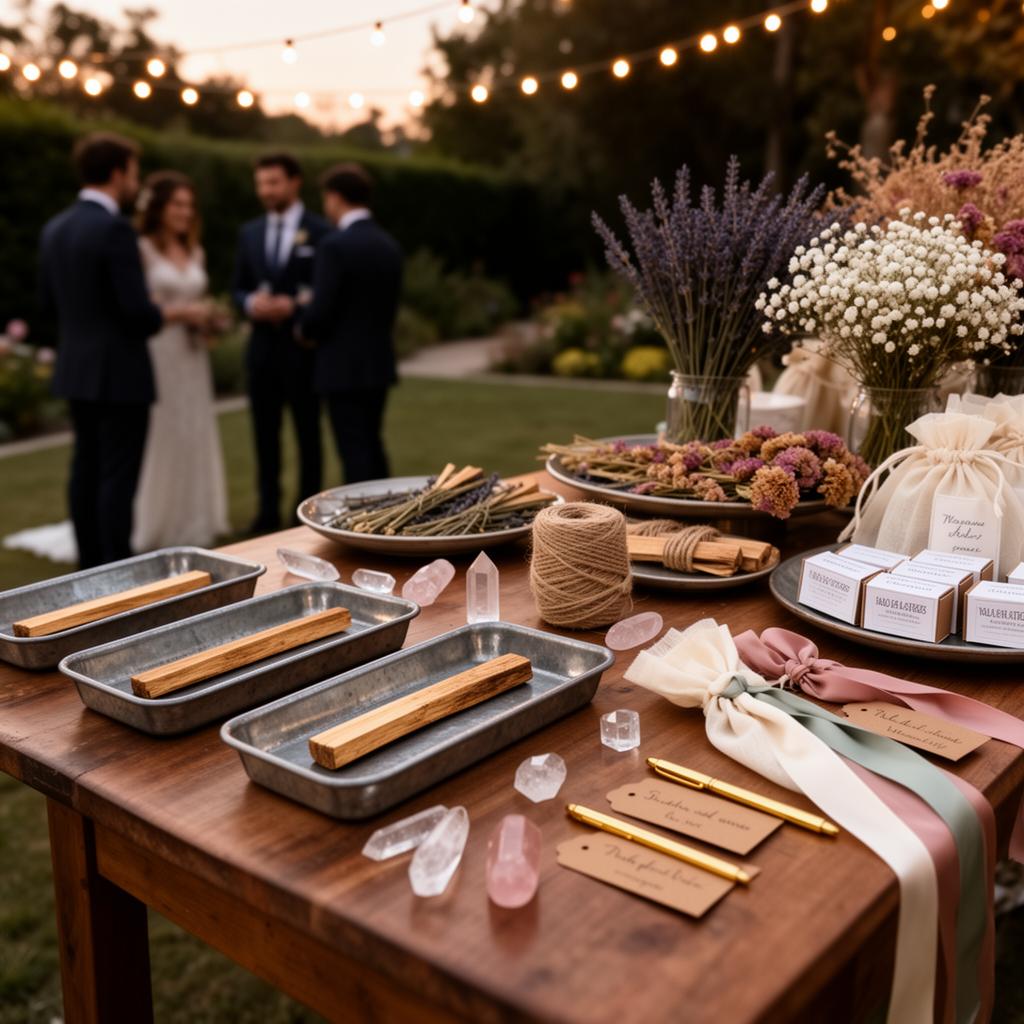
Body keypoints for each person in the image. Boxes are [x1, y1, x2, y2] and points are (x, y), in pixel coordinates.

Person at [38, 134, 200, 568]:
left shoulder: (55, 227)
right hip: (120, 371)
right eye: (133, 172)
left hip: (76, 367)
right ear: (116, 173)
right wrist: (159, 312)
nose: (136, 182)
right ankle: (116, 562)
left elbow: (47, 305)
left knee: (84, 468)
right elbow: (138, 314)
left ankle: (89, 560)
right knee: (117, 476)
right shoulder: (113, 230)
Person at [231, 153, 330, 533]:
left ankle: (305, 513)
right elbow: (236, 287)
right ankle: (266, 513)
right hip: (261, 351)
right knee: (263, 435)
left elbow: (327, 289)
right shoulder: (250, 232)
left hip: (302, 350)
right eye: (261, 183)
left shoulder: (320, 232)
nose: (266, 191)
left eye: (273, 182)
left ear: (294, 182)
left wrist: (295, 305)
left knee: (308, 435)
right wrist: (249, 303)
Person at [133, 170, 229, 551]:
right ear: (158, 207)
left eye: (190, 205)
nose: (185, 212)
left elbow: (195, 303)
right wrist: (182, 314)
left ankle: (197, 518)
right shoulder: (141, 250)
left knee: (194, 429)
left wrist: (209, 320)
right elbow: (140, 307)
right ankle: (157, 522)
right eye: (177, 204)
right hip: (160, 352)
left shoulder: (196, 250)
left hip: (193, 357)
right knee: (164, 430)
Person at [300, 163, 402, 483]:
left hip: (341, 366)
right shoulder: (388, 244)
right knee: (372, 443)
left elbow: (322, 309)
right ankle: (392, 514)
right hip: (378, 362)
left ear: (334, 198)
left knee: (352, 450)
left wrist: (303, 328)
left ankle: (363, 524)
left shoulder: (334, 245)